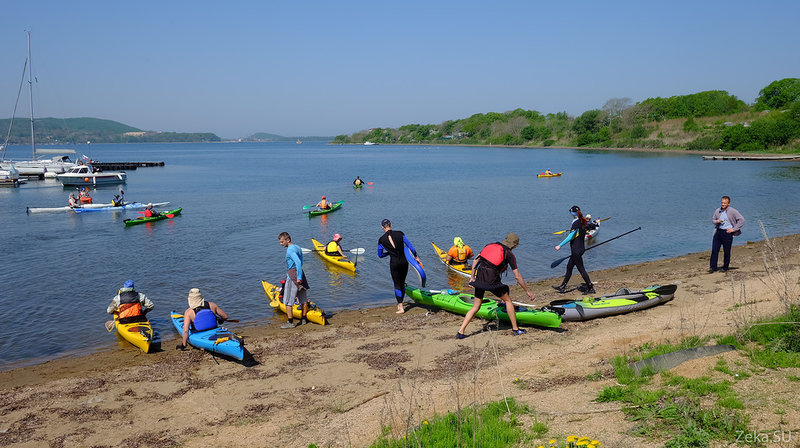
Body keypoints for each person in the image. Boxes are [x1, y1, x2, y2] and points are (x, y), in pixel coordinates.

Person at [457, 232, 535, 338]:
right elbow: (517, 276)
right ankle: (515, 329)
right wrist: (527, 291)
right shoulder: (508, 253)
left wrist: (472, 277)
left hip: (480, 276)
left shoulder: (490, 245)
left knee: (476, 306)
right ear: (514, 245)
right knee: (508, 300)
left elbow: (476, 260)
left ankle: (461, 332)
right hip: (492, 278)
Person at [377, 219, 421, 314]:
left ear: (382, 227)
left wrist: (388, 253)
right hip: (404, 262)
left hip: (394, 263)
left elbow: (380, 255)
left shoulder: (381, 240)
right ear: (390, 225)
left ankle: (400, 306)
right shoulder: (400, 233)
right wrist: (416, 256)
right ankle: (400, 303)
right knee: (402, 282)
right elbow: (410, 245)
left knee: (396, 284)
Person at [553, 205, 595, 294]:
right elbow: (591, 227)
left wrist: (560, 245)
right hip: (580, 248)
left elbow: (570, 236)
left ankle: (590, 288)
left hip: (576, 250)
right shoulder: (583, 221)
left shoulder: (576, 223)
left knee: (581, 269)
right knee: (569, 267)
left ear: (572, 213)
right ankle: (563, 286)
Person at [279, 232, 309, 328]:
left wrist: (298, 277)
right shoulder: (297, 247)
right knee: (303, 299)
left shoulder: (290, 250)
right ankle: (304, 319)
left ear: (288, 240)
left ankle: (290, 322)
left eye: (282, 242)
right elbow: (301, 263)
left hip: (293, 276)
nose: (281, 244)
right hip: (301, 274)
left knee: (287, 301)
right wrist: (301, 276)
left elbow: (298, 263)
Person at [710, 195, 745, 272]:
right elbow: (713, 220)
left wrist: (734, 229)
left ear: (728, 203)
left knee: (727, 251)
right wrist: (717, 221)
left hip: (727, 233)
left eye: (724, 203)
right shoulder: (718, 210)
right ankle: (713, 267)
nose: (722, 204)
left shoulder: (733, 211)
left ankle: (725, 267)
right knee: (715, 250)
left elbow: (742, 220)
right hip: (718, 232)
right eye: (722, 203)